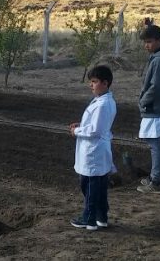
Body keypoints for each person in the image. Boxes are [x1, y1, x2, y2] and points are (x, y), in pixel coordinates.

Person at [69, 65, 117, 231]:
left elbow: (95, 130)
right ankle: (101, 217)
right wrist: (82, 124)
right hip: (97, 150)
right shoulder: (103, 100)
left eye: (94, 81)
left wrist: (77, 131)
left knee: (90, 186)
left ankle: (88, 218)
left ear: (105, 83)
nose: (91, 85)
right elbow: (97, 124)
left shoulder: (103, 104)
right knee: (98, 186)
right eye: (90, 81)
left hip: (94, 151)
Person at [136, 25, 160, 194]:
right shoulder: (158, 58)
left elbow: (156, 86)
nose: (146, 45)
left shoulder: (159, 60)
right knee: (156, 144)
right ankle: (155, 177)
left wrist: (144, 101)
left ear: (159, 40)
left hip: (155, 109)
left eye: (149, 42)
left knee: (155, 145)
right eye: (145, 42)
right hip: (157, 108)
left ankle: (156, 180)